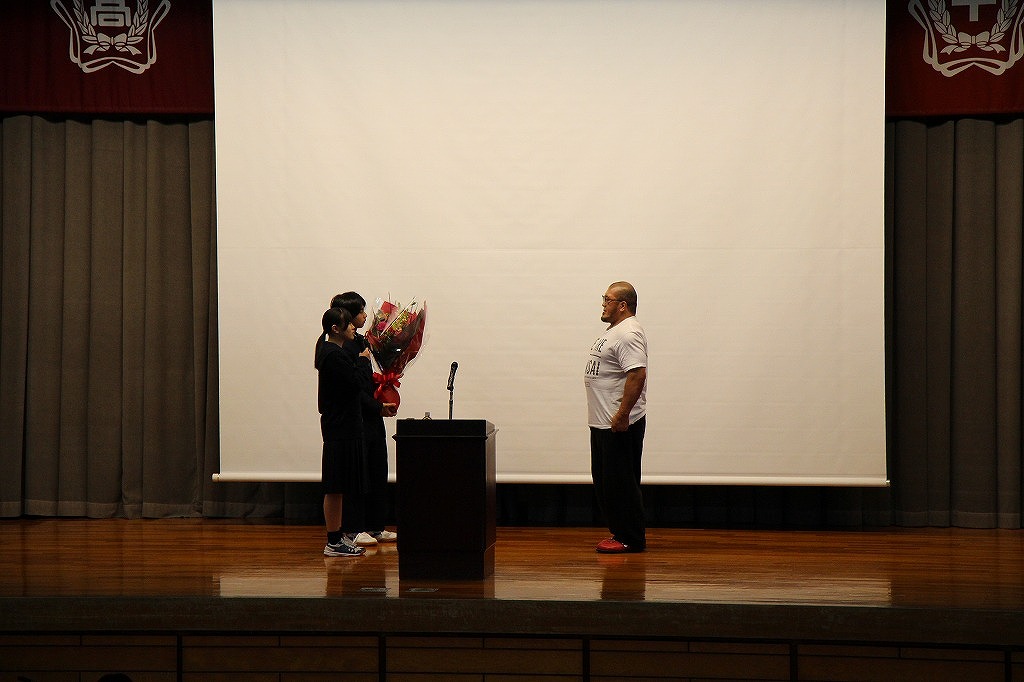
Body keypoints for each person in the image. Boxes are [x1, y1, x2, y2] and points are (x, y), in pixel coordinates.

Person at [330, 292, 399, 547]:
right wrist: (376, 406)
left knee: (377, 468)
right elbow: (352, 388)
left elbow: (366, 381)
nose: (364, 315)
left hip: (371, 416)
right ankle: (353, 528)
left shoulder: (362, 341)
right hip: (355, 418)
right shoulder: (341, 347)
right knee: (358, 474)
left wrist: (385, 383)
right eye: (360, 311)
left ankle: (375, 525)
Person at [584, 281, 648, 554]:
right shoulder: (615, 331)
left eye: (607, 299)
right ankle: (620, 533)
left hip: (619, 424)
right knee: (607, 483)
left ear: (622, 305)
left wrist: (622, 415)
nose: (603, 304)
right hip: (603, 422)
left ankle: (630, 538)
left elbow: (637, 374)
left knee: (621, 484)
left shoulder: (628, 333)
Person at [315, 307, 373, 558]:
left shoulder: (333, 352)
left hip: (345, 426)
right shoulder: (332, 355)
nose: (353, 327)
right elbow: (355, 383)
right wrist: (363, 360)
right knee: (335, 484)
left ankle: (338, 537)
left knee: (341, 485)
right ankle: (333, 541)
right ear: (335, 329)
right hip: (339, 428)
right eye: (348, 324)